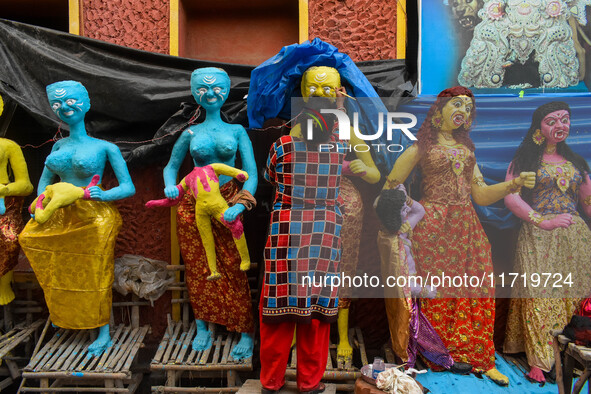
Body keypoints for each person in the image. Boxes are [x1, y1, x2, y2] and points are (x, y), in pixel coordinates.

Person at [383, 86, 536, 385]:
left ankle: (480, 356)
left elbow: (479, 194)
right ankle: (439, 353)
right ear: (439, 111)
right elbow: (390, 188)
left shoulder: (468, 151)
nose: (464, 110)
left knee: (477, 286)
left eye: (468, 107)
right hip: (432, 226)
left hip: (467, 225)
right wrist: (399, 220)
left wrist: (512, 184)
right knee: (436, 290)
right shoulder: (420, 148)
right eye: (457, 104)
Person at [19, 81, 135, 357]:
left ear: (86, 103)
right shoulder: (57, 148)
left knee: (95, 274)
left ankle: (102, 331)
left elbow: (127, 187)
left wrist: (103, 195)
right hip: (60, 215)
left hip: (95, 216)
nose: (65, 108)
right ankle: (68, 319)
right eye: (57, 104)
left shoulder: (105, 148)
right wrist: (41, 204)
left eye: (71, 101)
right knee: (58, 269)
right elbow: (44, 184)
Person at [163, 67, 257, 361]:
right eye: (203, 88)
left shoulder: (237, 131)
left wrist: (241, 205)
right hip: (192, 202)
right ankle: (202, 324)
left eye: (217, 87)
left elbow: (251, 174)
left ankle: (245, 330)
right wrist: (169, 186)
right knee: (197, 264)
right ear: (194, 93)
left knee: (234, 264)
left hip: (228, 200)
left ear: (227, 92)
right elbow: (171, 166)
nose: (211, 93)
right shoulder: (191, 132)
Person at [289, 66, 381, 362]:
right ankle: (298, 328)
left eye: (328, 89)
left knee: (343, 268)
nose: (320, 95)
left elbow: (375, 175)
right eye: (314, 89)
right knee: (303, 264)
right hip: (307, 202)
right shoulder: (298, 130)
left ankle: (341, 334)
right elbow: (287, 170)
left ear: (338, 92)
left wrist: (362, 169)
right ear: (304, 94)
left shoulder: (347, 131)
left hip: (344, 205)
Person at [503, 101, 591, 383]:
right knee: (539, 296)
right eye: (551, 121)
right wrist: (543, 221)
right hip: (537, 236)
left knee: (572, 298)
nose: (559, 126)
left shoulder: (577, 163)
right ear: (538, 128)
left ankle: (569, 354)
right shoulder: (525, 161)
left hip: (574, 240)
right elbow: (511, 198)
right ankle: (539, 361)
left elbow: (588, 203)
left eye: (564, 120)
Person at [260, 104, 345, 393]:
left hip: (286, 232)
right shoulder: (338, 149)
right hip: (325, 233)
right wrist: (341, 108)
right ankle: (309, 382)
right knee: (316, 313)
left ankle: (271, 381)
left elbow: (269, 177)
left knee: (278, 310)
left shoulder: (281, 147)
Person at [0, 94, 34, 305]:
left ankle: (3, 287)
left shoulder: (8, 146)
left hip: (4, 205)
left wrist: (3, 190)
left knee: (8, 241)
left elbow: (27, 185)